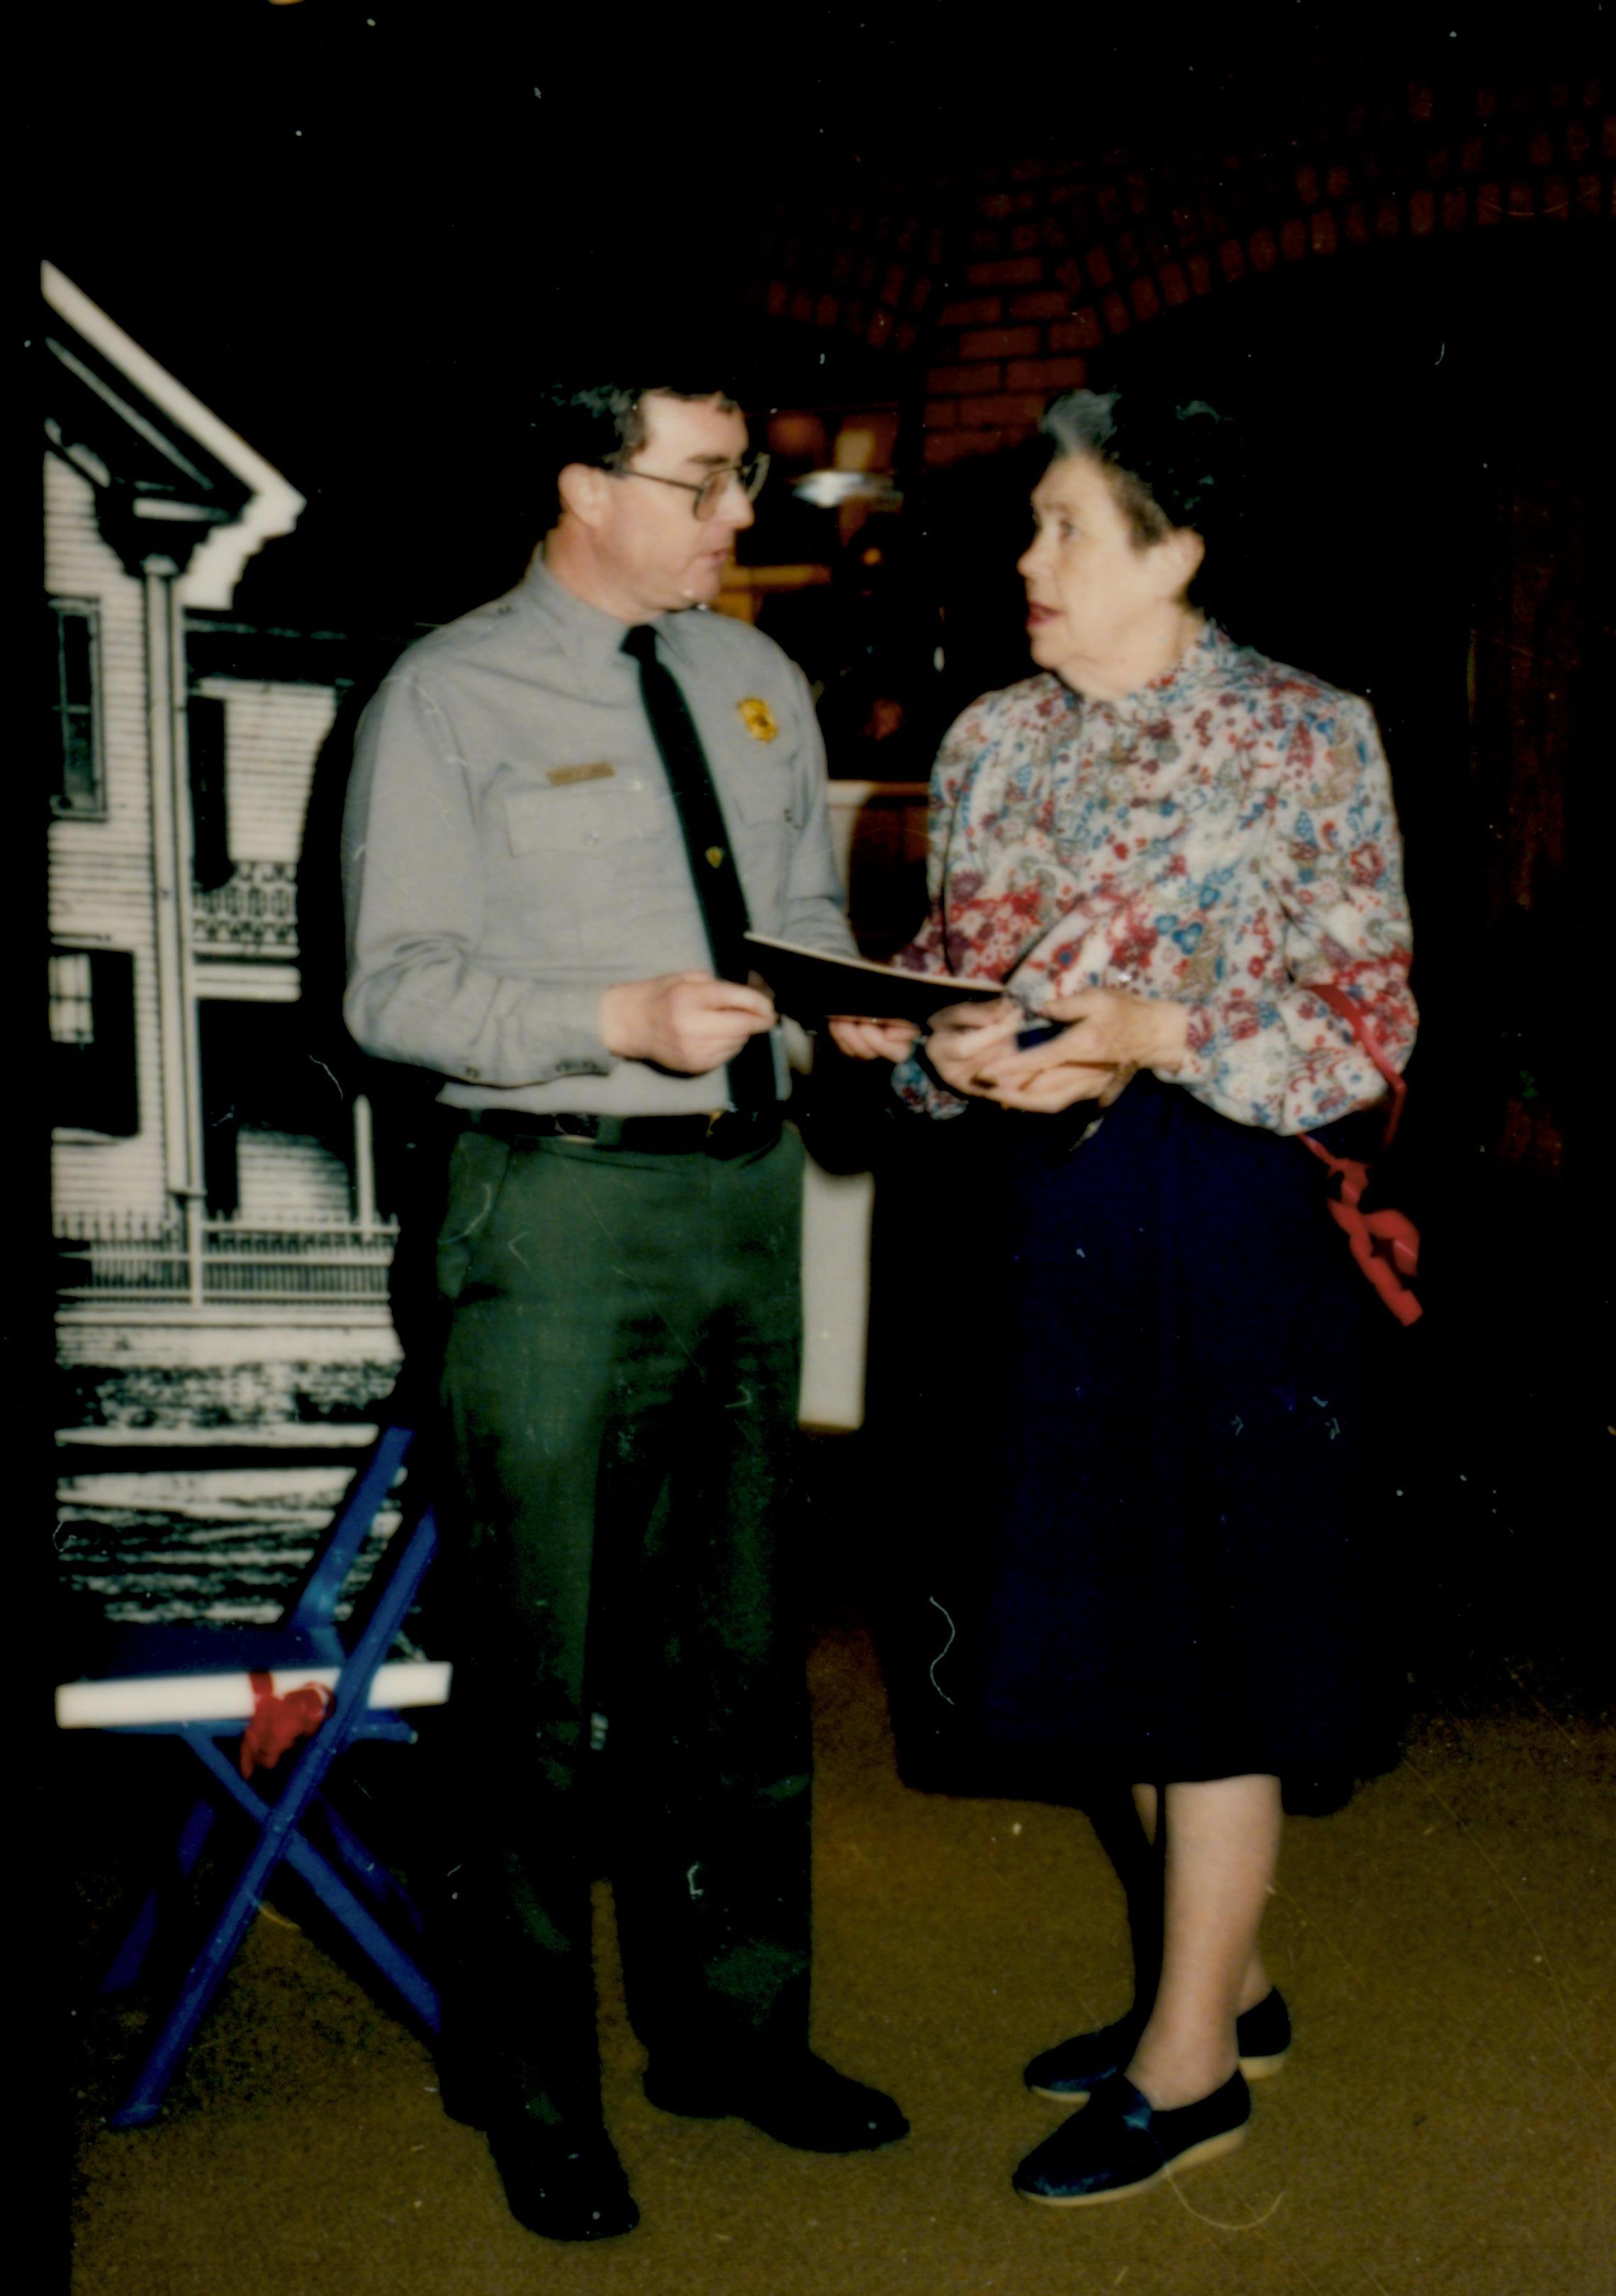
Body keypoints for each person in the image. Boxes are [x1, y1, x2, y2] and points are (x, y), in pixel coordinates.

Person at [340, 377, 908, 2244]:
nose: (739, 513)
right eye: (706, 481)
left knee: (740, 1666)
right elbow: (392, 989)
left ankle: (737, 2036)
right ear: (586, 485)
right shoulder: (445, 696)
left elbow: (802, 922)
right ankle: (532, 2087)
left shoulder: (756, 689)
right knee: (532, 1691)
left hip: (736, 1216)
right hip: (549, 1212)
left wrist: (865, 1023)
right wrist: (615, 1020)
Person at [840, 387, 1417, 2207]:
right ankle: (1220, 1975)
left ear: (1175, 552)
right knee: (1085, 1613)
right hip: (1039, 1220)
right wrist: (915, 1036)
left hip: (1221, 1214)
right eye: (1033, 528)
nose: (1029, 560)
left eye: (1068, 528)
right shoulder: (997, 736)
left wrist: (1146, 1035)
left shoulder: (1307, 736)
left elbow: (1364, 1031)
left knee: (1212, 1631)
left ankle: (1192, 2070)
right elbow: (963, 976)